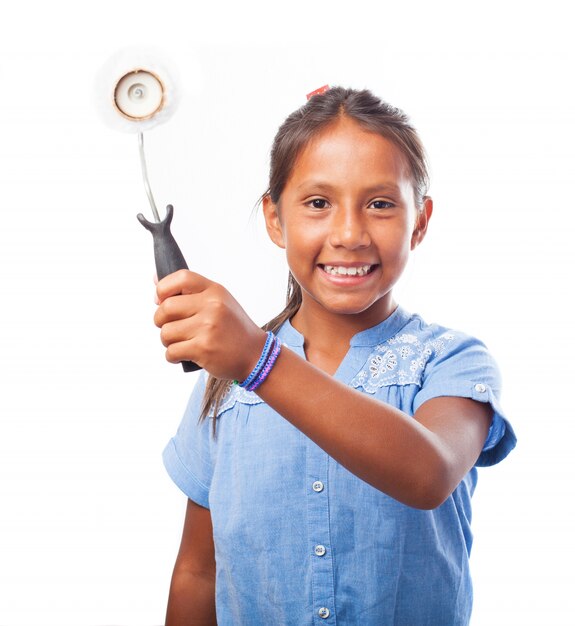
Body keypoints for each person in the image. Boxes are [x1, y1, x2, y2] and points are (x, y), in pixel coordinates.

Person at [155, 87, 516, 626]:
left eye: (380, 204)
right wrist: (245, 364)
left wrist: (258, 361)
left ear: (420, 220)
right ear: (275, 219)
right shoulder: (221, 385)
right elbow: (198, 572)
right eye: (319, 203)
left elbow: (429, 474)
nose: (349, 234)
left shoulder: (451, 362)